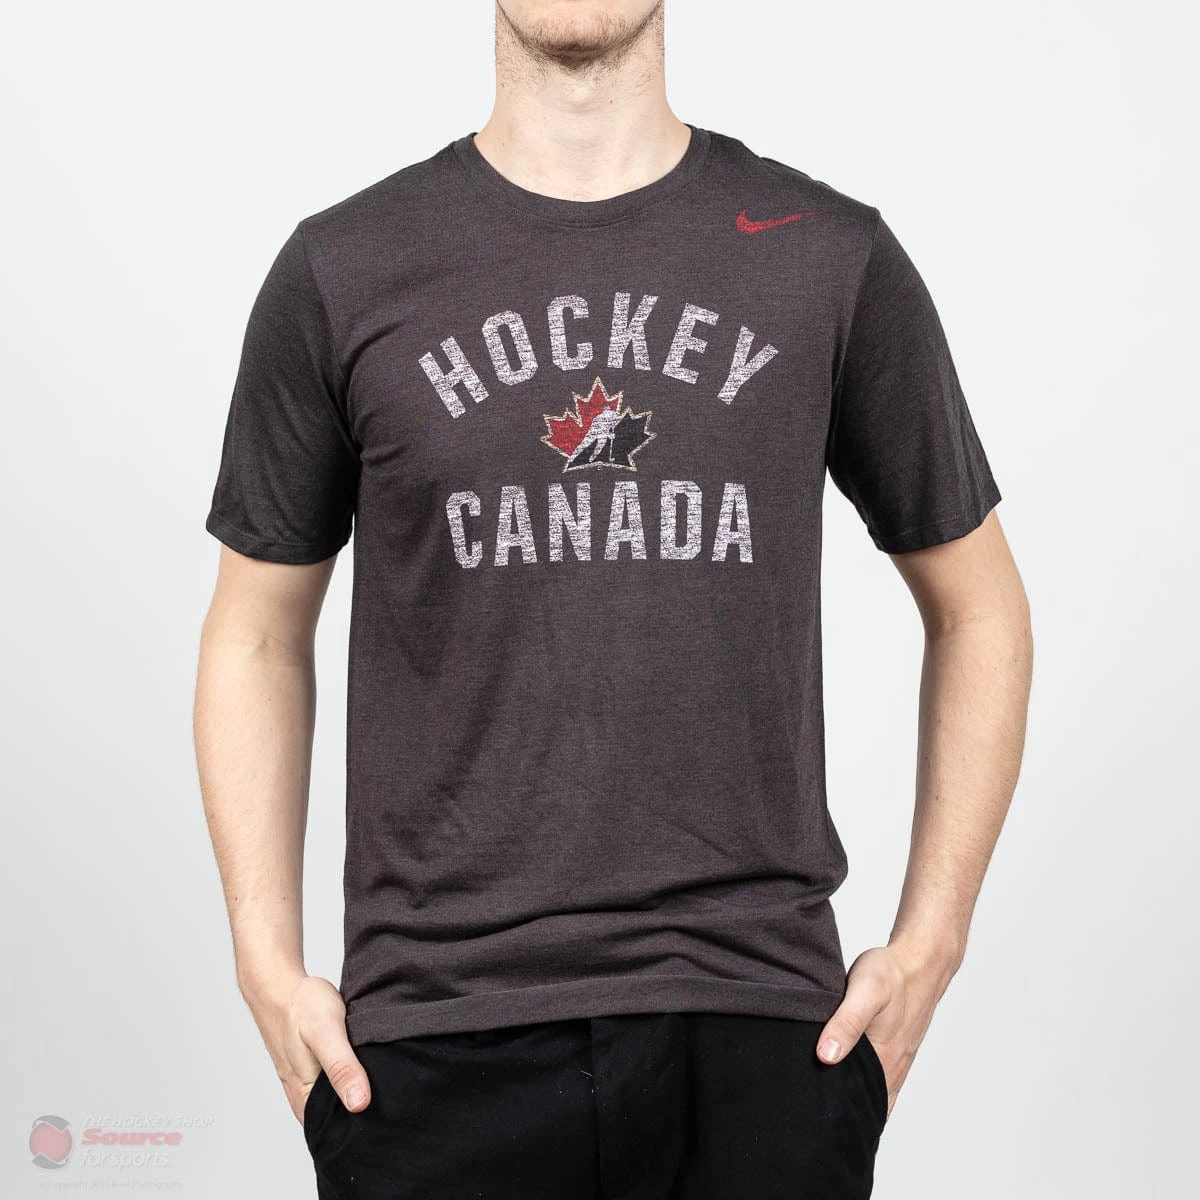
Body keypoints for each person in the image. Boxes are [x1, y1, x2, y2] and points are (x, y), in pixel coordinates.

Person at [193, 1, 1034, 1196]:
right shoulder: (343, 269)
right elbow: (257, 634)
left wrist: (931, 948)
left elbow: (980, 608)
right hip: (434, 1048)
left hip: (756, 1033)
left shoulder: (825, 256)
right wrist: (265, 967)